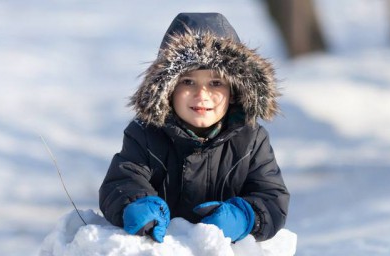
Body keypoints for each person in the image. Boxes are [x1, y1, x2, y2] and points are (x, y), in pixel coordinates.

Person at [98, 12, 289, 243]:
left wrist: (243, 216)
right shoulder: (145, 134)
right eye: (188, 82)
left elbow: (271, 195)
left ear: (235, 91)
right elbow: (122, 181)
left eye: (215, 83)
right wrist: (138, 203)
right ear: (167, 89)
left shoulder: (250, 140)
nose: (202, 95)